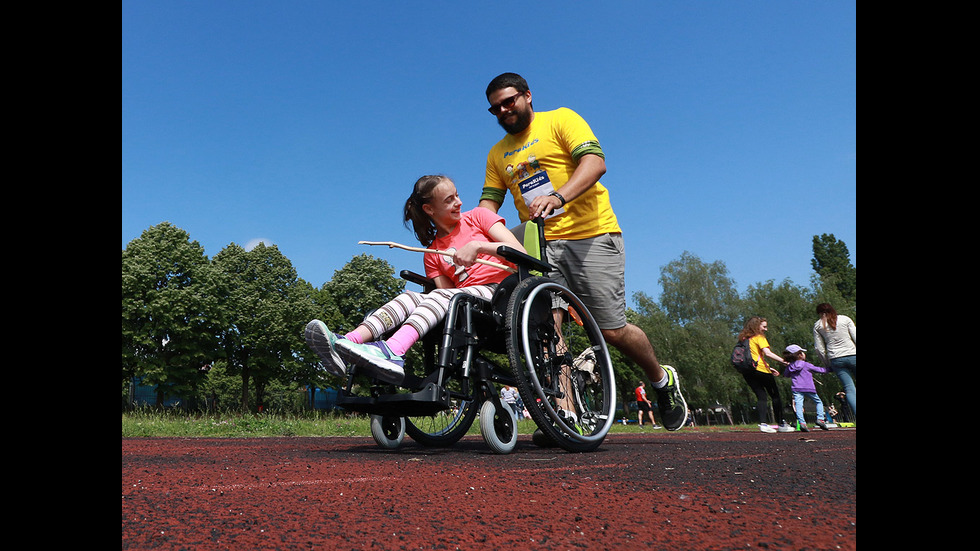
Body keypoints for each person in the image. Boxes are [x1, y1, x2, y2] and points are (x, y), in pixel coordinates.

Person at [478, 72, 688, 431]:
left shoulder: (561, 119)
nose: (502, 110)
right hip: (539, 245)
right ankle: (565, 415)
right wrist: (469, 235)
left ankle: (661, 379)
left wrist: (558, 196)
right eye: (494, 108)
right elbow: (488, 206)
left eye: (509, 101)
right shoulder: (497, 154)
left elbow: (595, 163)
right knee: (546, 328)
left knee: (611, 331)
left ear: (528, 96)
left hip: (591, 236)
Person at [305, 175, 526, 385]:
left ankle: (393, 351)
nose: (458, 202)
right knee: (409, 297)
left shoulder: (478, 216)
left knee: (439, 296)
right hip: (469, 305)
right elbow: (447, 297)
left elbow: (519, 251)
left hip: (502, 292)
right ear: (429, 209)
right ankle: (346, 343)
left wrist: (478, 246)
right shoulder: (432, 253)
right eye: (449, 200)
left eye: (457, 195)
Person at [736, 316, 794, 433]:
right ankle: (781, 423)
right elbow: (767, 353)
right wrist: (784, 361)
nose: (766, 329)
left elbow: (752, 356)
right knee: (775, 396)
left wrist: (770, 367)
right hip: (761, 370)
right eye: (764, 326)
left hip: (748, 371)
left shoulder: (744, 339)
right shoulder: (759, 337)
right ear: (757, 326)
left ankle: (763, 424)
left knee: (761, 396)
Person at [813, 303, 856, 420]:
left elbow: (819, 349)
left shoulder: (818, 325)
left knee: (849, 389)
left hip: (836, 358)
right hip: (853, 354)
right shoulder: (845, 319)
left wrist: (827, 364)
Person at [781, 344, 829, 432]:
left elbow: (786, 375)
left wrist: (787, 366)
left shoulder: (789, 366)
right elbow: (820, 370)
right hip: (809, 388)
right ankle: (820, 419)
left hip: (796, 389)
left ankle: (802, 423)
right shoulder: (806, 365)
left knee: (799, 405)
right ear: (800, 355)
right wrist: (830, 369)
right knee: (818, 402)